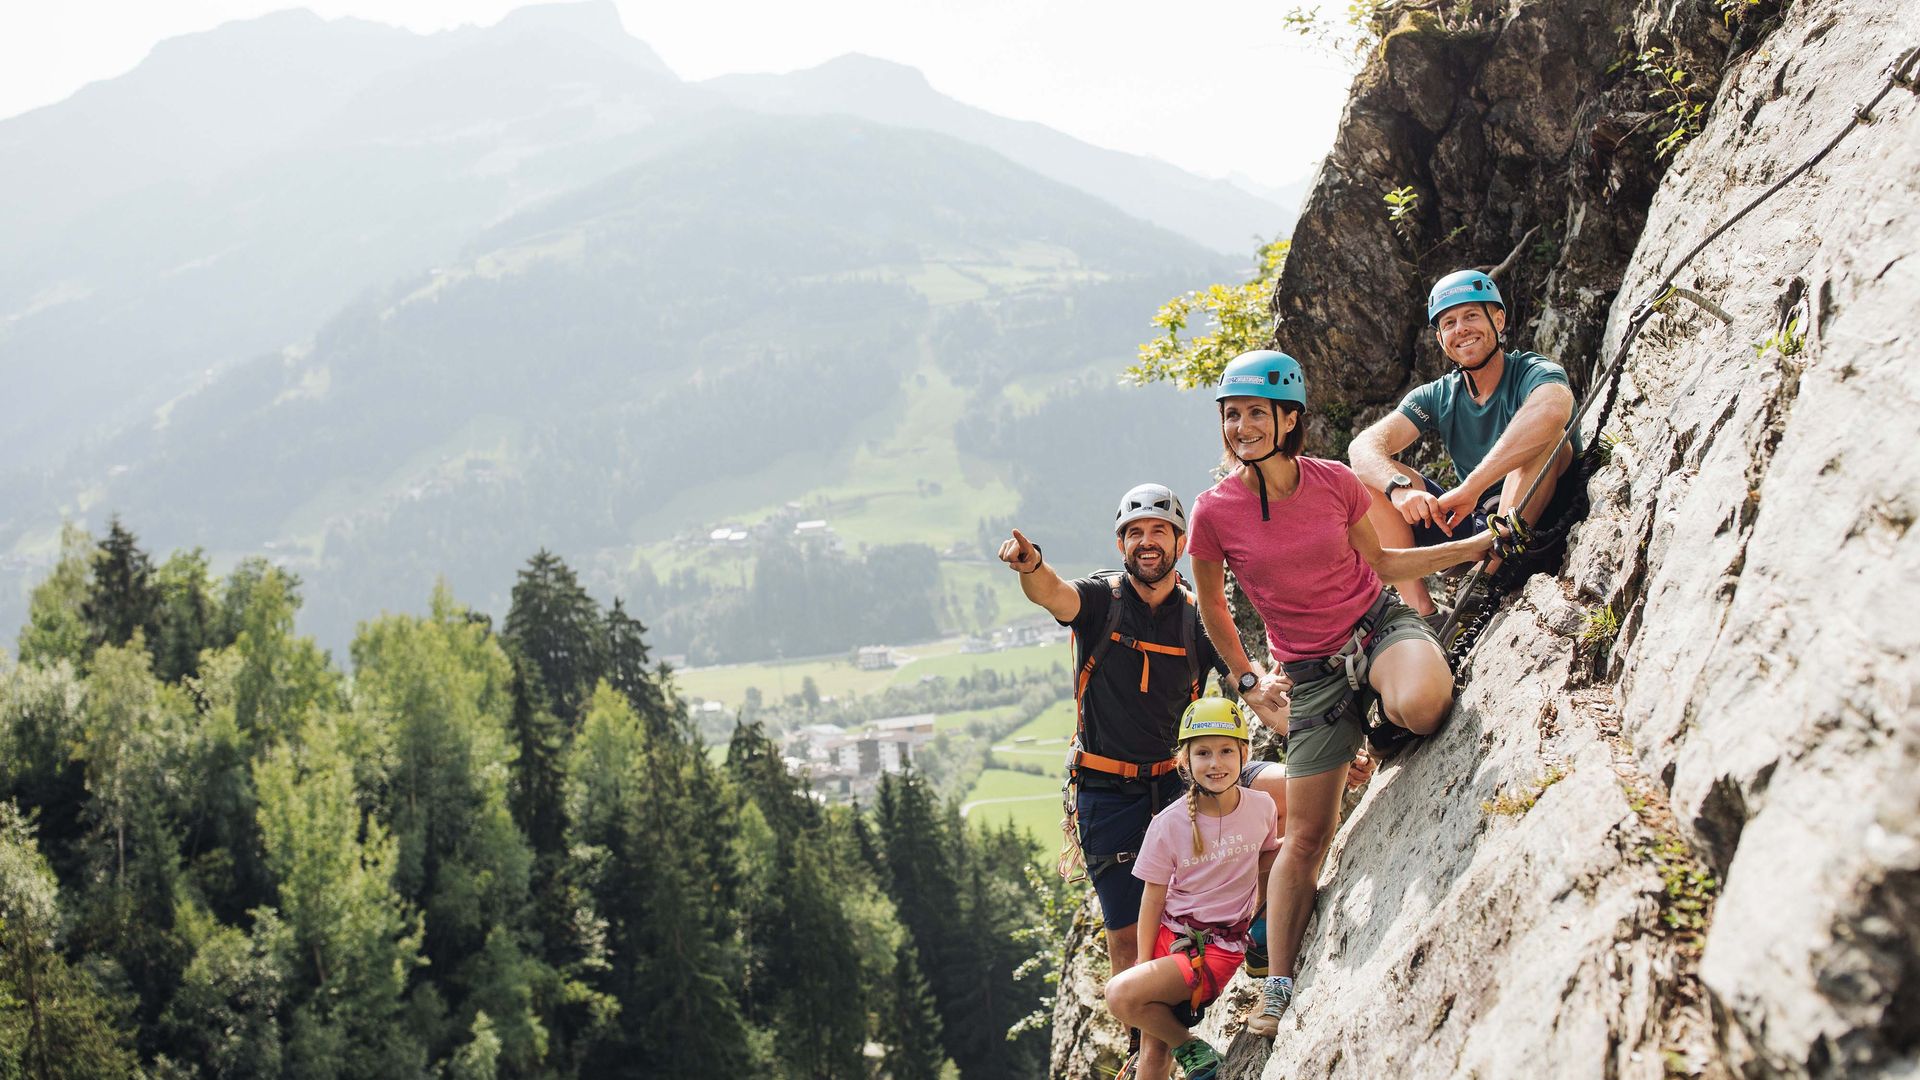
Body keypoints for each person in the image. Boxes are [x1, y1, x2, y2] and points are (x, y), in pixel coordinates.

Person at [1185, 349, 1494, 1036]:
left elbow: (1384, 562)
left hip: (1374, 627)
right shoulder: (1214, 514)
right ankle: (1278, 984)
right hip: (1312, 675)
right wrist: (1247, 680)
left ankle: (1383, 719)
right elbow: (1212, 606)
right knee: (1306, 836)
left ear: (1287, 419)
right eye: (1231, 415)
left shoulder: (1333, 483)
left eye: (1255, 414)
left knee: (1421, 704)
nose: (1241, 426)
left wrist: (1471, 551)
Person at [1348, 269, 1580, 625]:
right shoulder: (1439, 395)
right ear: (1441, 339)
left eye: (1471, 315)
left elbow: (1552, 408)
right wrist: (1398, 490)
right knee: (1365, 482)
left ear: (1498, 320)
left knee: (1549, 439)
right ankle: (1424, 613)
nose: (1461, 329)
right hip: (1477, 530)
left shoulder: (1531, 371)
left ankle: (1489, 576)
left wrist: (1471, 487)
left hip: (1546, 518)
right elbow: (1364, 447)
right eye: (1449, 323)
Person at [1105, 697, 1278, 1080]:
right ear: (1184, 762)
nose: (1215, 763)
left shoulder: (1261, 807)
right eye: (1203, 753)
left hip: (1218, 947)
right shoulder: (1168, 825)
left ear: (1244, 754)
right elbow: (1152, 897)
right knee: (1152, 1049)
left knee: (1120, 995)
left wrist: (1263, 923)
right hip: (1171, 938)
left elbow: (1267, 860)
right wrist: (1144, 961)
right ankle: (1189, 1050)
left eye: (1225, 751)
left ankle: (1191, 1048)